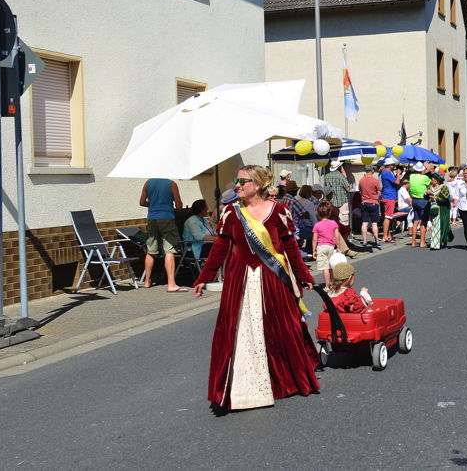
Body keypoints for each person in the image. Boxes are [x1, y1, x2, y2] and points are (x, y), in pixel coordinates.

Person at [192, 165, 319, 411]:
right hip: (240, 278)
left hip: (272, 278)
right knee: (239, 330)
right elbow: (221, 248)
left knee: (280, 328)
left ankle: (283, 379)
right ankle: (242, 386)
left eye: (243, 181)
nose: (237, 185)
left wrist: (304, 275)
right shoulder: (232, 212)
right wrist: (203, 277)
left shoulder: (279, 211)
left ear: (258, 185)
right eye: (237, 181)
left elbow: (290, 248)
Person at [139, 178, 185, 292]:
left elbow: (142, 202)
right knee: (169, 249)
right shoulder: (172, 184)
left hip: (152, 218)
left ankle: (146, 281)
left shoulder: (148, 183)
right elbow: (179, 206)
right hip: (167, 218)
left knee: (151, 250)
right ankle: (171, 284)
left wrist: (153, 205)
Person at [312, 201, 342, 285]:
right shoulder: (333, 223)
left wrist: (314, 250)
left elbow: (314, 239)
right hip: (331, 247)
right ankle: (333, 283)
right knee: (331, 265)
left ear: (318, 213)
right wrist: (338, 247)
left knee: (325, 267)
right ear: (329, 213)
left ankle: (327, 285)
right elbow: (337, 236)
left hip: (321, 247)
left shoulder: (317, 225)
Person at [358, 165, 382, 249]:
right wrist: (376, 197)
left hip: (364, 202)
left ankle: (364, 241)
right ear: (372, 170)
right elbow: (379, 191)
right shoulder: (375, 181)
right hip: (374, 202)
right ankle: (377, 241)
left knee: (364, 223)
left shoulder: (361, 180)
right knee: (374, 223)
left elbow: (360, 191)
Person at [409, 162, 432, 248]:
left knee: (416, 221)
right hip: (423, 200)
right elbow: (431, 183)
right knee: (424, 221)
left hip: (414, 200)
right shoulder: (425, 177)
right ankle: (422, 242)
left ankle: (413, 242)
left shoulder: (411, 176)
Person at [428, 172, 453, 250]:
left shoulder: (444, 187)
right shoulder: (430, 187)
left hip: (442, 209)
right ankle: (436, 243)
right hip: (433, 209)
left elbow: (446, 199)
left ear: (438, 180)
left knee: (443, 225)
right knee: (435, 226)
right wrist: (427, 195)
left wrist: (435, 197)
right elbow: (427, 198)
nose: (433, 179)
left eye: (435, 178)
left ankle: (443, 241)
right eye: (432, 178)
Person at [379, 158, 401, 242]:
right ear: (390, 165)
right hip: (389, 196)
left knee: (387, 216)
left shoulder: (384, 172)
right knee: (388, 217)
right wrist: (398, 174)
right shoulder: (387, 173)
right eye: (393, 165)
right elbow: (397, 182)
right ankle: (385, 236)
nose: (394, 166)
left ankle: (387, 235)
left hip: (386, 195)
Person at [324, 161, 352, 226]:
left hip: (331, 202)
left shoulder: (326, 176)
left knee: (333, 221)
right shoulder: (341, 176)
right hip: (342, 201)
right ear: (339, 167)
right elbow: (348, 189)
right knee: (343, 222)